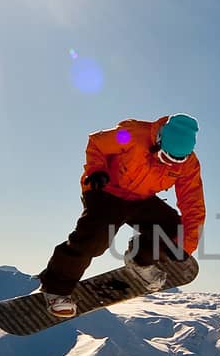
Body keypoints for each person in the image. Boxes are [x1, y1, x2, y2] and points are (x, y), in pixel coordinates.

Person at [35, 114, 205, 317]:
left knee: (173, 229)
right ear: (159, 140)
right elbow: (97, 143)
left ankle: (141, 261)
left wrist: (186, 245)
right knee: (95, 237)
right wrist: (96, 169)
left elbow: (193, 204)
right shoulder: (132, 135)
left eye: (177, 160)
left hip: (140, 198)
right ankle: (56, 290)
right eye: (165, 157)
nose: (170, 164)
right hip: (106, 189)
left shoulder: (189, 165)